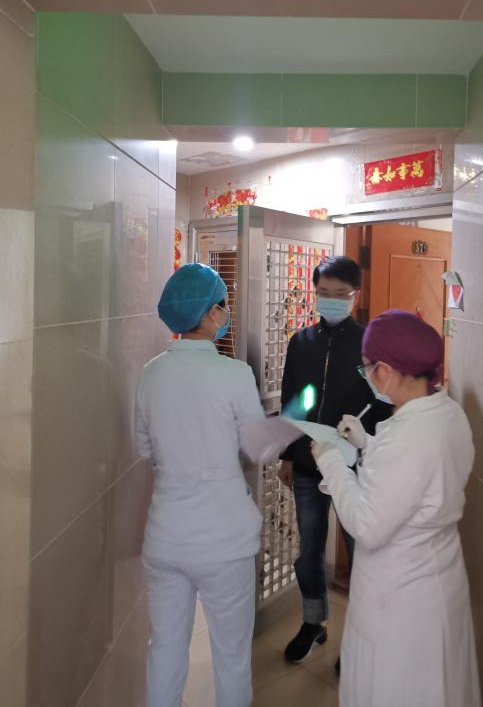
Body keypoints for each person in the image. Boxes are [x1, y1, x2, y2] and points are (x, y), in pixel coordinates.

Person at [311, 310, 481, 707]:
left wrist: (332, 461)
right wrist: (367, 444)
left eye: (367, 368)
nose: (368, 376)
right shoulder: (448, 413)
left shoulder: (406, 438)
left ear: (385, 370)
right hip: (438, 580)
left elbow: (367, 524)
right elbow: (415, 483)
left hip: (401, 602)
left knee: (399, 689)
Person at [135, 263, 264, 707]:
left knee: (164, 650)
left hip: (166, 537)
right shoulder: (235, 374)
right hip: (224, 541)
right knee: (231, 657)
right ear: (210, 313)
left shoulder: (151, 373)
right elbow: (258, 447)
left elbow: (144, 449)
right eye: (223, 305)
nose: (226, 313)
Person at [278, 256, 391, 666]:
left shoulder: (371, 346)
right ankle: (313, 623)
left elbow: (384, 406)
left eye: (340, 294)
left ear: (355, 296)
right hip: (309, 464)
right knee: (309, 549)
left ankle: (360, 638)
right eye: (323, 293)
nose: (330, 300)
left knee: (361, 553)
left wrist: (370, 447)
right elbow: (293, 401)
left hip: (356, 467)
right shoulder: (301, 342)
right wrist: (288, 455)